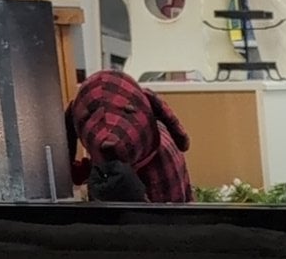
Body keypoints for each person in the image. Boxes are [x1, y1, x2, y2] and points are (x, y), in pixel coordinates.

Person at [65, 70, 192, 203]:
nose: (108, 139)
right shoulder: (101, 165)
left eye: (128, 110)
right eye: (88, 117)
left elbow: (176, 212)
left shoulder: (166, 164)